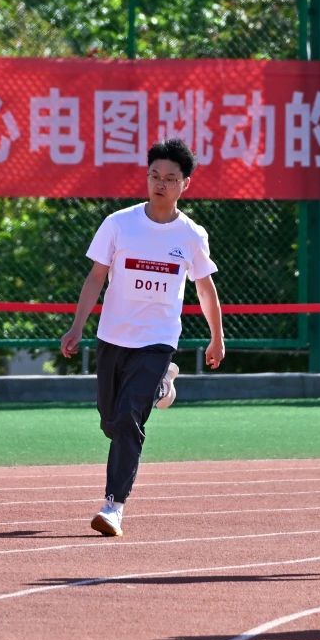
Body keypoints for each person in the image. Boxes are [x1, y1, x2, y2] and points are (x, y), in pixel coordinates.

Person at [60, 138, 224, 537]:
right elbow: (96, 277)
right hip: (113, 336)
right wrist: (77, 326)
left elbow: (205, 288)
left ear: (185, 184)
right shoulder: (119, 223)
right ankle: (163, 385)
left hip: (157, 340)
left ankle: (113, 506)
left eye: (170, 178)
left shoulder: (191, 235)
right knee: (110, 421)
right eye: (154, 176)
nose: (160, 184)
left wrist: (216, 337)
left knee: (129, 418)